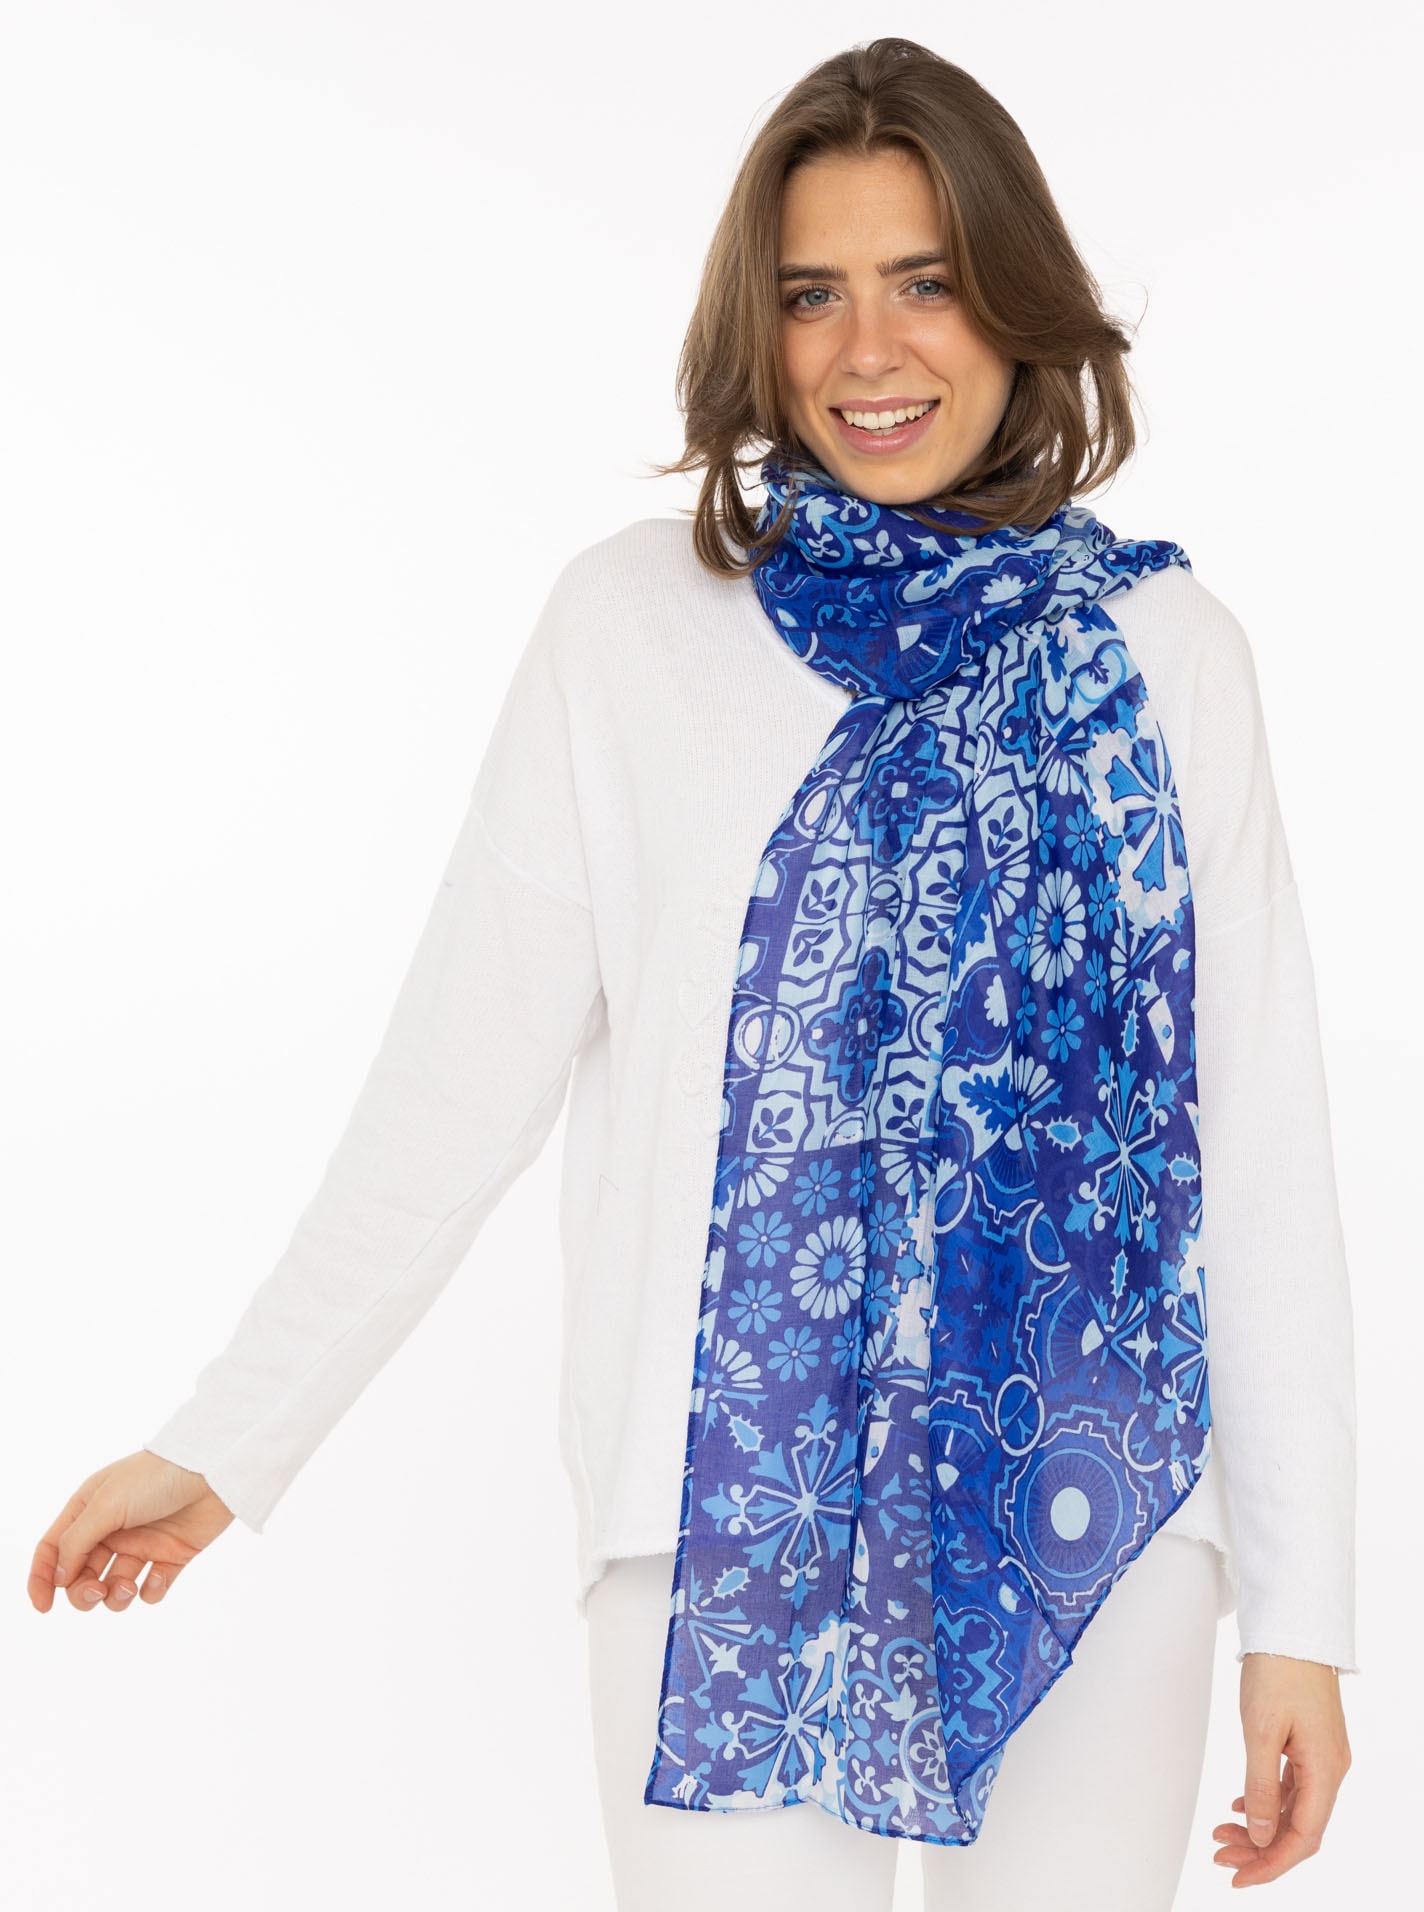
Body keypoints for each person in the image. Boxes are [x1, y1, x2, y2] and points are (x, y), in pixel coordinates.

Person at [26, 36, 1355, 1911]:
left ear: (1018, 306)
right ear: (757, 325)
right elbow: (453, 1088)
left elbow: (1259, 1148)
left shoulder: (1168, 652)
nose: (869, 350)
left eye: (927, 282)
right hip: (717, 1511)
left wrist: (1303, 1616)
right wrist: (226, 1444)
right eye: (813, 294)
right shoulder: (630, 630)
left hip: (1087, 1501)